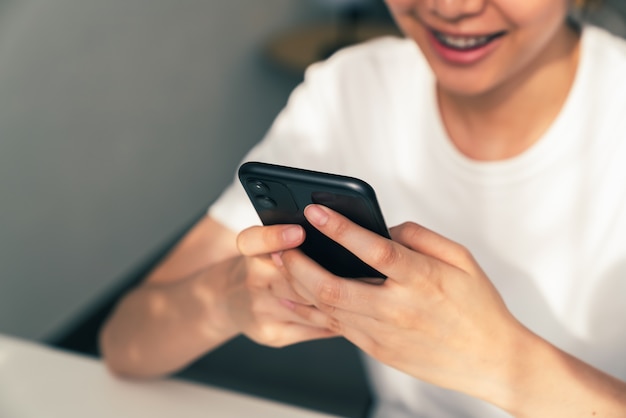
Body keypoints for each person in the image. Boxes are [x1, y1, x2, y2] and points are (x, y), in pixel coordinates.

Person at [99, 0, 626, 416]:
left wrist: (501, 364)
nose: (451, 6)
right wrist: (226, 297)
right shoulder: (352, 90)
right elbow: (125, 344)